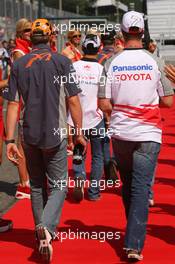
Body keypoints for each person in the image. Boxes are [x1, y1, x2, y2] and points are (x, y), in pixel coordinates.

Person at [4, 18, 86, 262]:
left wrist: (9, 140)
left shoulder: (19, 64)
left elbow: (13, 104)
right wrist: (79, 131)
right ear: (51, 37)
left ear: (31, 38)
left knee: (37, 185)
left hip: (29, 133)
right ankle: (48, 228)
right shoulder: (62, 61)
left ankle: (42, 234)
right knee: (59, 184)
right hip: (56, 132)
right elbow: (73, 100)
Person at [98, 11, 174, 261]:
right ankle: (133, 245)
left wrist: (124, 105)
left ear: (121, 32)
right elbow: (168, 101)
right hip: (148, 133)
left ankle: (132, 237)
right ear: (142, 32)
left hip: (121, 133)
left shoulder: (111, 62)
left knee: (129, 186)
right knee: (141, 188)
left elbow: (104, 103)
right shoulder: (155, 62)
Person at [67, 34, 105, 202]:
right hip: (96, 117)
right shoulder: (101, 69)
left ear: (82, 47)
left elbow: (66, 94)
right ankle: (94, 192)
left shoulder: (73, 66)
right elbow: (106, 98)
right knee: (98, 156)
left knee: (78, 151)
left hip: (76, 119)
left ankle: (79, 176)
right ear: (99, 48)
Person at [12, 18, 32, 199]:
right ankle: (22, 185)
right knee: (22, 146)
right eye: (27, 30)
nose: (30, 32)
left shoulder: (28, 49)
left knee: (28, 144)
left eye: (31, 30)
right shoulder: (19, 52)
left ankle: (27, 181)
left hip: (30, 101)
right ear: (19, 33)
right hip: (22, 102)